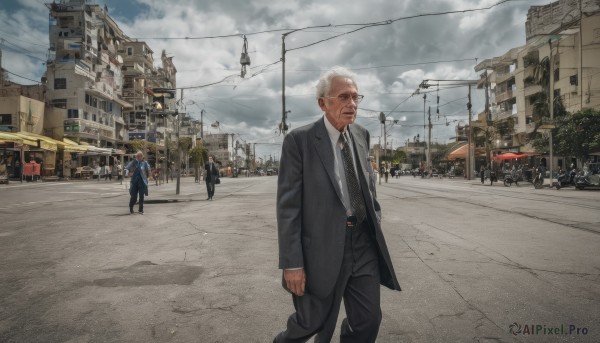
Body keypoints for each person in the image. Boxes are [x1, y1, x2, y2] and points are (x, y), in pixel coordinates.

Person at [274, 67, 401, 343]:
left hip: (363, 242)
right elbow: (288, 208)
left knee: (368, 320)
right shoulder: (300, 141)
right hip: (320, 247)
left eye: (356, 97)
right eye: (344, 97)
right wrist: (292, 262)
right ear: (323, 103)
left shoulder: (361, 135)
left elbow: (368, 185)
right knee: (310, 323)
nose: (352, 104)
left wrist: (373, 218)